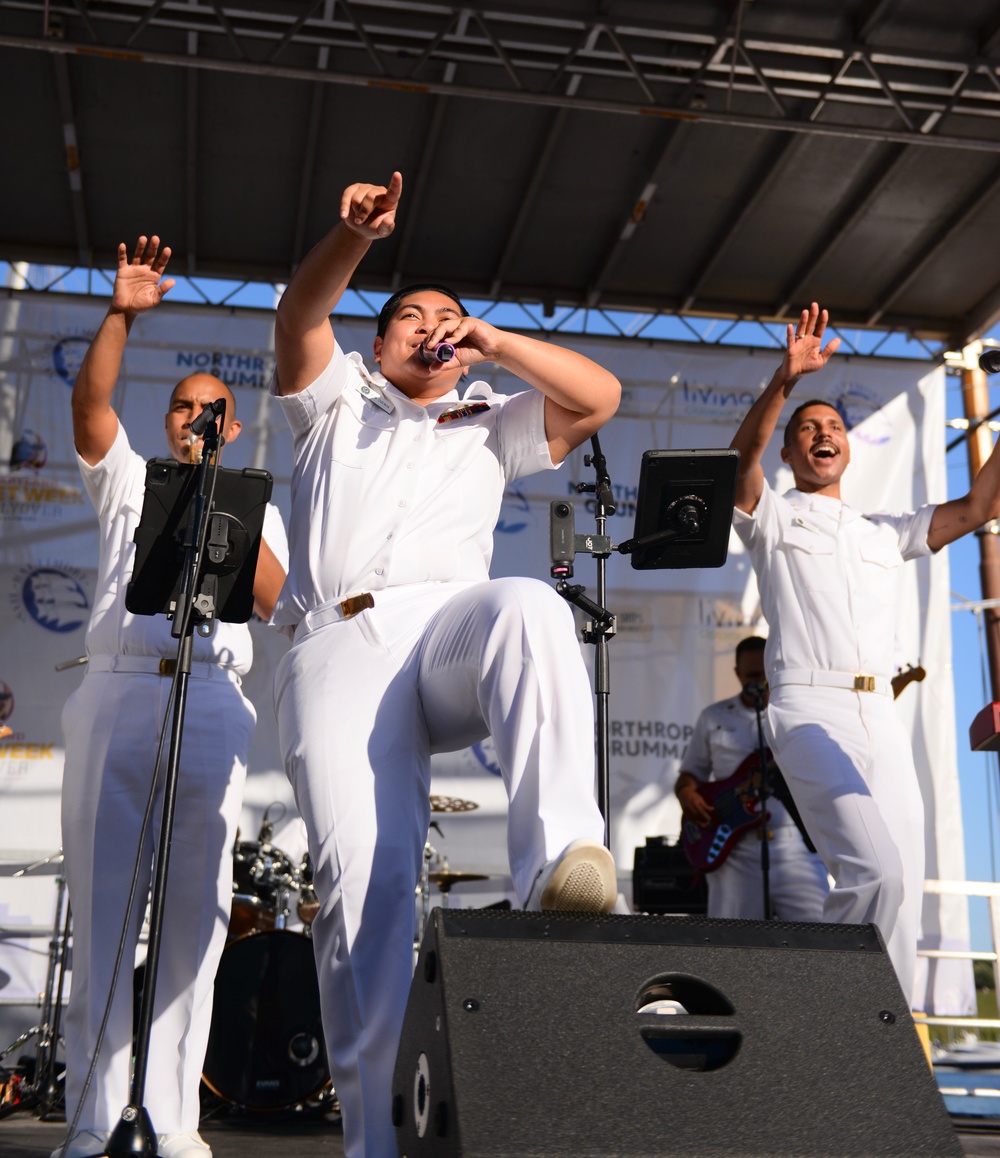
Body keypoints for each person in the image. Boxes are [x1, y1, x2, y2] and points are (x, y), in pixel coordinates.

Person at [270, 171, 621, 1157]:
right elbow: (302, 310)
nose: (434, 326)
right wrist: (350, 239)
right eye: (412, 316)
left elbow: (599, 397)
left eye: (451, 317)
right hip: (343, 645)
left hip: (445, 637)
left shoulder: (491, 417)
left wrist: (498, 344)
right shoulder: (334, 401)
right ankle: (372, 1136)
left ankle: (558, 863)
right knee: (368, 887)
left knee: (529, 605)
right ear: (379, 342)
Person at [55, 237, 287, 1158]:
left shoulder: (248, 500)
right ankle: (91, 1123)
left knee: (198, 923)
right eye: (184, 408)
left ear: (230, 427)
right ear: (168, 420)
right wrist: (122, 313)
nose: (196, 418)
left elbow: (277, 601)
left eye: (212, 411)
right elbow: (88, 407)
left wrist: (228, 502)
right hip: (119, 694)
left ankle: (173, 1122)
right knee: (108, 914)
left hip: (213, 700)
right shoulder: (124, 479)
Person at [729, 301, 1000, 1005]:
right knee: (873, 873)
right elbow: (738, 463)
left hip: (882, 713)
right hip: (808, 708)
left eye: (834, 427)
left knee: (902, 887)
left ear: (847, 447)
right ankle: (842, 1020)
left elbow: (975, 510)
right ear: (791, 454)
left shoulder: (885, 530)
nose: (823, 435)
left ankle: (892, 1044)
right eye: (807, 431)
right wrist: (785, 380)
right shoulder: (776, 517)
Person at [674, 635, 829, 920]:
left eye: (766, 675)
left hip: (793, 846)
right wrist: (687, 795)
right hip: (735, 852)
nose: (759, 682)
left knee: (821, 935)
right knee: (733, 946)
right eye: (752, 675)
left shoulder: (798, 716)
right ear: (737, 674)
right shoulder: (714, 716)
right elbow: (689, 775)